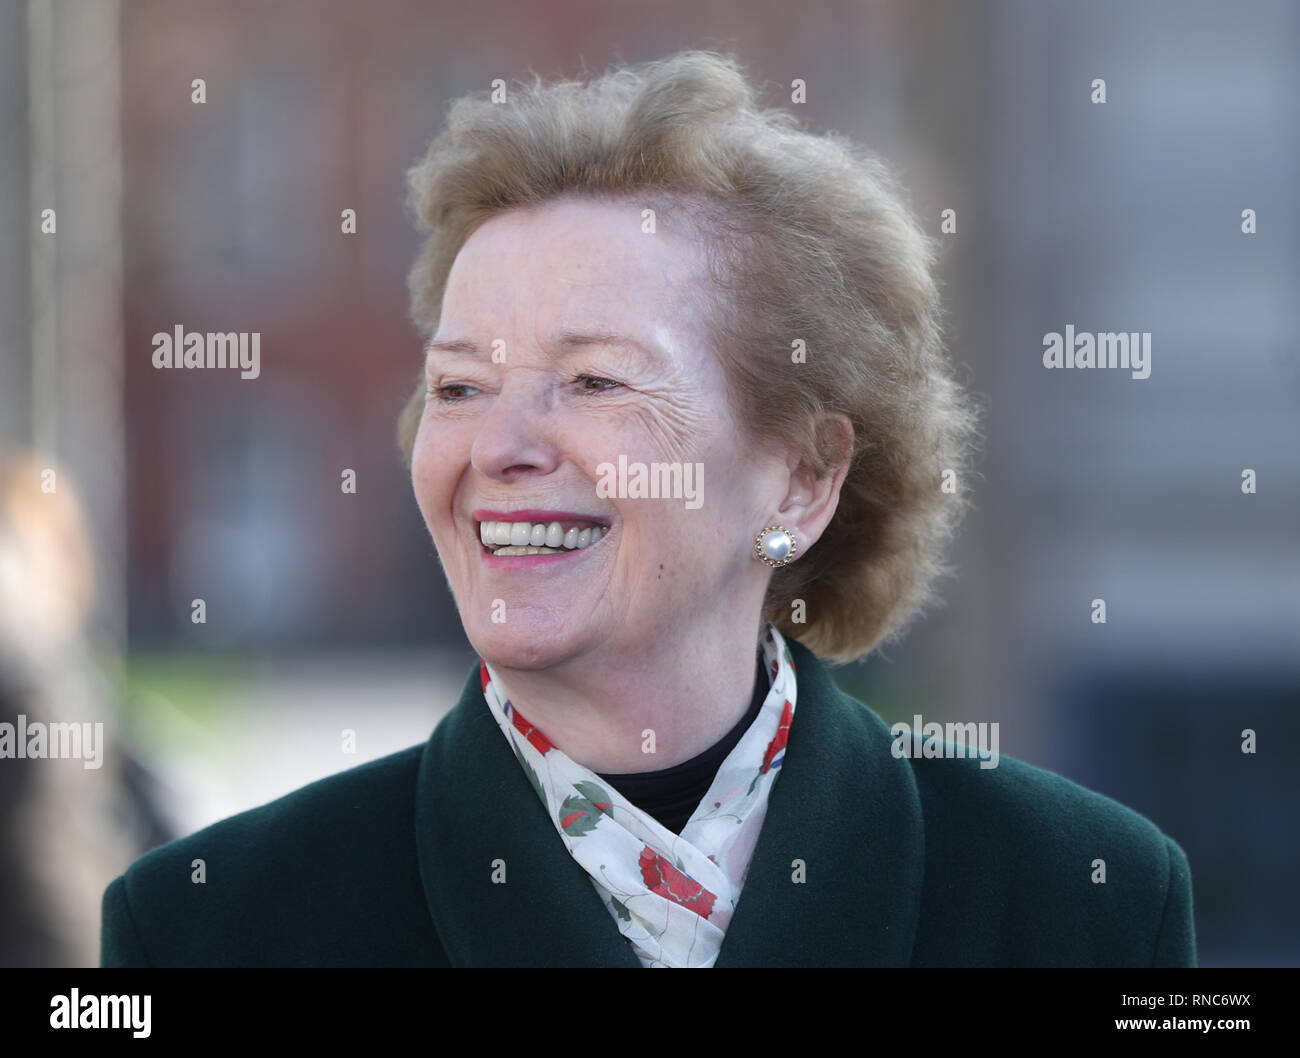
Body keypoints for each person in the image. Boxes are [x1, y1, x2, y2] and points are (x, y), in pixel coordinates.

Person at [101, 50, 1194, 967]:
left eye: (594, 381)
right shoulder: (211, 927)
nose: (501, 446)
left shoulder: (1084, 901)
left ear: (804, 476)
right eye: (461, 386)